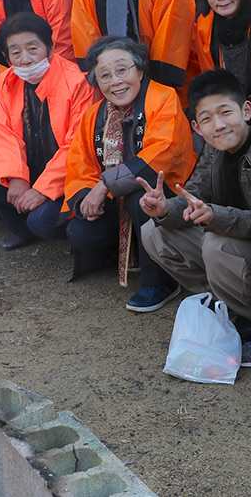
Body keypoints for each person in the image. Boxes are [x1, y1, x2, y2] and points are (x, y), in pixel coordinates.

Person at [138, 70, 251, 353]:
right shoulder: (214, 147)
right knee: (153, 231)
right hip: (233, 245)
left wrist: (216, 217)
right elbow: (196, 192)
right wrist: (165, 209)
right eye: (207, 119)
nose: (219, 125)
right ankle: (228, 300)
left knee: (216, 244)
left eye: (225, 112)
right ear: (197, 127)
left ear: (246, 110)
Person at [63, 36, 197, 311]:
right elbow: (80, 165)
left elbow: (162, 154)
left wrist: (104, 187)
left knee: (141, 197)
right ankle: (130, 254)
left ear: (139, 69)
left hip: (169, 193)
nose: (116, 81)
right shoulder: (93, 115)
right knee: (80, 230)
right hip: (117, 198)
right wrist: (87, 197)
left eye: (122, 70)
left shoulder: (163, 97)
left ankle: (160, 281)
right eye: (105, 75)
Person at [0, 12, 95, 251]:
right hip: (31, 164)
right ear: (7, 56)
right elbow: (3, 132)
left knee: (42, 221)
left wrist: (43, 189)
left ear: (50, 49)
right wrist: (17, 176)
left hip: (70, 173)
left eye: (33, 48)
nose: (25, 59)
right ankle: (20, 230)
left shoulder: (76, 82)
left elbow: (76, 146)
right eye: (16, 52)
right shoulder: (8, 79)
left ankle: (76, 236)